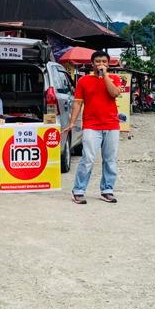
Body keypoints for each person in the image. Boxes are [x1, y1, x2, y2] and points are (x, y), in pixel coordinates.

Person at [62, 50, 123, 205]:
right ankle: (79, 190)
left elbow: (114, 93)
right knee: (88, 158)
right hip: (91, 125)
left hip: (111, 125)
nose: (101, 64)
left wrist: (105, 76)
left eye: (104, 61)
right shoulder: (84, 81)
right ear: (92, 63)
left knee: (110, 159)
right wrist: (72, 122)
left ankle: (107, 190)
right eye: (98, 61)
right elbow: (77, 103)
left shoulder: (115, 78)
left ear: (108, 64)